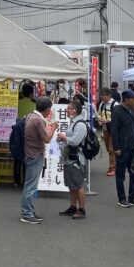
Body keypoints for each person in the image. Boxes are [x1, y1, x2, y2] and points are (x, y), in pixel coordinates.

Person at [20, 96, 56, 224]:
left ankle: (29, 210)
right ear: (47, 109)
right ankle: (27, 213)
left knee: (30, 185)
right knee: (30, 186)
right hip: (35, 155)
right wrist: (54, 128)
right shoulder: (38, 120)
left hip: (29, 153)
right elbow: (46, 139)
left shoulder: (30, 116)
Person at [57, 99, 88, 220]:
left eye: (68, 108)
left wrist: (64, 137)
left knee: (78, 184)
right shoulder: (73, 122)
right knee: (72, 184)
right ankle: (72, 207)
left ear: (74, 110)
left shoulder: (80, 124)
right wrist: (63, 138)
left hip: (76, 159)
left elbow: (75, 142)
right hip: (70, 158)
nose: (66, 110)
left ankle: (82, 209)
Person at [110, 89, 134, 209]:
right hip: (123, 148)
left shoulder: (132, 110)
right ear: (126, 99)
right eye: (133, 98)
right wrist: (116, 147)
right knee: (120, 175)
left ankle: (132, 197)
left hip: (133, 147)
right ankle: (122, 198)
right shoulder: (117, 111)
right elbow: (114, 130)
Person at [96, 87, 116, 177]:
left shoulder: (115, 104)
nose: (101, 98)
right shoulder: (102, 104)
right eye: (101, 96)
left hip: (114, 130)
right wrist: (99, 120)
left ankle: (112, 168)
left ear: (108, 95)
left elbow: (118, 118)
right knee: (108, 149)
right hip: (105, 129)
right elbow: (99, 114)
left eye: (103, 96)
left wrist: (108, 120)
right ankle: (115, 165)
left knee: (111, 149)